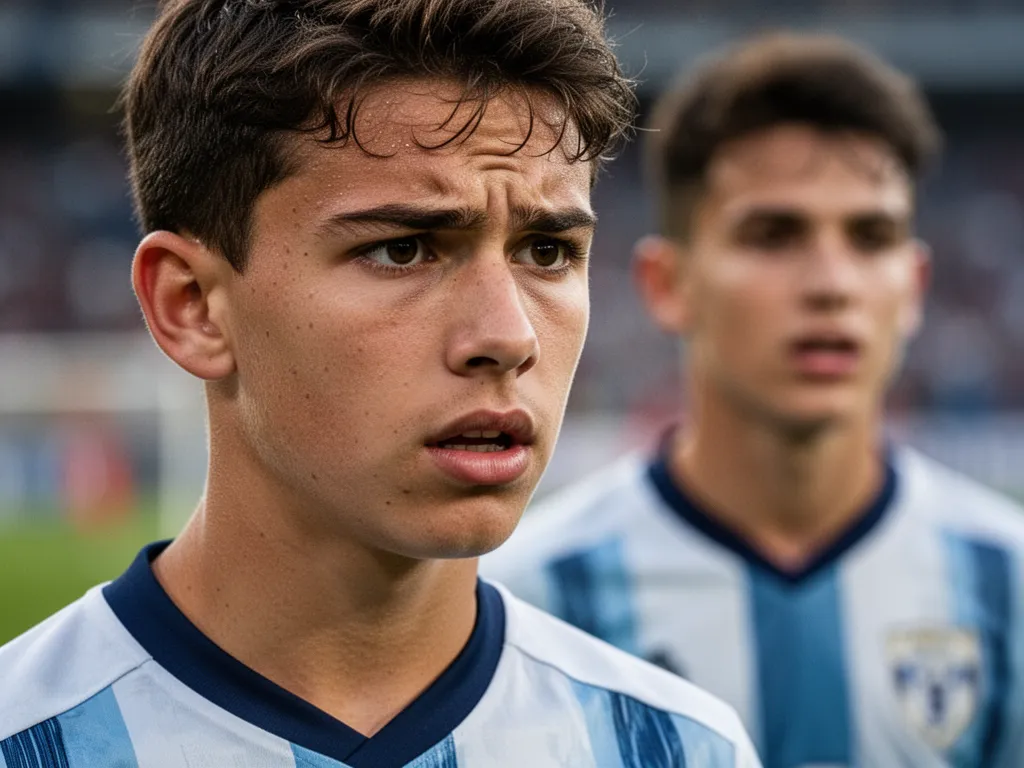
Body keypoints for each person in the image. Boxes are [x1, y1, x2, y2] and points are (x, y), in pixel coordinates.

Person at [0, 1, 765, 766]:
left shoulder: (677, 746)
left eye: (546, 251)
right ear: (192, 306)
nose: (507, 336)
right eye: (404, 250)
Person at [484, 31, 1024, 768]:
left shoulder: (1008, 585)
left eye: (871, 236)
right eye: (774, 235)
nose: (832, 283)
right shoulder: (532, 593)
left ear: (915, 287)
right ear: (667, 285)